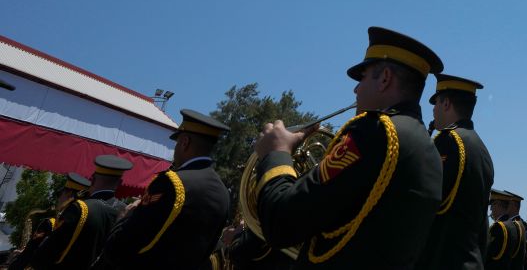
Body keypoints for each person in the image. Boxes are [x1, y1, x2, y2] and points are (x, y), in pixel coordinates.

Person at [251, 27, 444, 267]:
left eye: (362, 78)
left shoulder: (375, 131)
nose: (355, 89)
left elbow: (281, 222)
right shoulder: (430, 152)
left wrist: (276, 153)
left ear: (384, 78)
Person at [96, 111, 230, 270]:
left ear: (185, 142)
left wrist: (126, 216)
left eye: (177, 142)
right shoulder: (223, 193)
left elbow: (120, 248)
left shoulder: (171, 182)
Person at [415, 73, 495, 270]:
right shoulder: (481, 148)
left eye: (436, 103)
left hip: (442, 260)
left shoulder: (449, 142)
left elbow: (424, 204)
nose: (433, 110)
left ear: (446, 104)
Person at [34, 154, 133, 269]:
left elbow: (44, 255)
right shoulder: (127, 214)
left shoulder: (80, 208)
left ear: (92, 179)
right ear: (120, 183)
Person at [487, 189, 524, 270]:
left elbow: (488, 255)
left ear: (497, 204)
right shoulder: (512, 225)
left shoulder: (499, 227)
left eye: (492, 205)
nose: (490, 209)